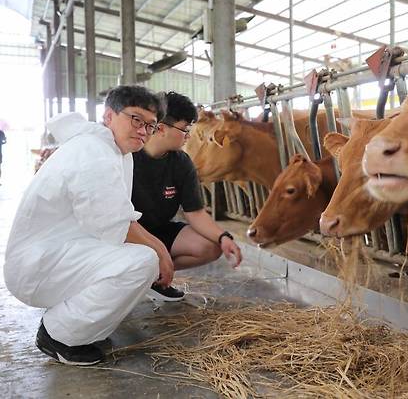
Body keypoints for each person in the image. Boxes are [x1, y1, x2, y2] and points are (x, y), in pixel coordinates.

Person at [4, 86, 172, 366]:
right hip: (38, 266)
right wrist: (162, 253)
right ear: (109, 116)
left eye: (151, 126)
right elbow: (116, 224)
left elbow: (116, 217)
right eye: (136, 120)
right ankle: (58, 335)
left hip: (57, 254)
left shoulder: (114, 151)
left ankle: (79, 329)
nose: (144, 130)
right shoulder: (94, 152)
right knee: (143, 261)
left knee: (142, 256)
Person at [132, 91, 242, 302]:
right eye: (185, 130)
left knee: (209, 245)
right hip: (125, 235)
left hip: (158, 230)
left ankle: (153, 279)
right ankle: (132, 278)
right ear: (162, 128)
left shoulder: (181, 162)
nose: (189, 136)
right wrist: (161, 253)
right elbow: (119, 218)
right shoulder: (128, 157)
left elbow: (196, 213)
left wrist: (223, 237)